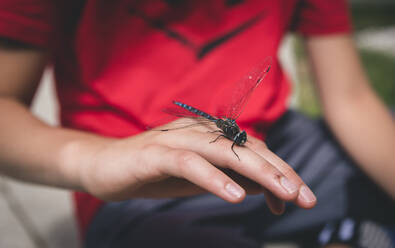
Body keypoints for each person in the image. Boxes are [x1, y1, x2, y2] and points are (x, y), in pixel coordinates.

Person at [0, 0, 394, 247]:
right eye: (234, 135)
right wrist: (93, 159)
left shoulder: (241, 134)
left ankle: (346, 231)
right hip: (143, 182)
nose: (235, 136)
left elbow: (351, 99)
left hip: (280, 143)